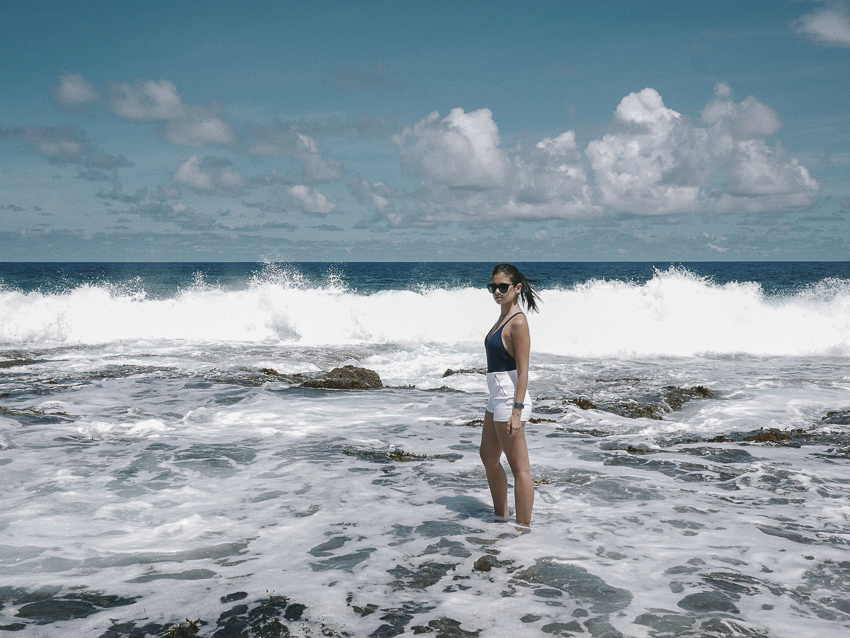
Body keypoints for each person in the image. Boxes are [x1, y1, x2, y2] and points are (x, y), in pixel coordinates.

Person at [480, 263, 540, 528]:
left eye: (503, 287)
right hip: (496, 397)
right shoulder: (502, 316)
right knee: (488, 457)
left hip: (510, 400)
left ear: (517, 288)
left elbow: (524, 372)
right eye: (493, 287)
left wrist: (516, 411)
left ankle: (523, 530)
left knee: (520, 469)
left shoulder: (518, 321)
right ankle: (500, 518)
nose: (497, 291)